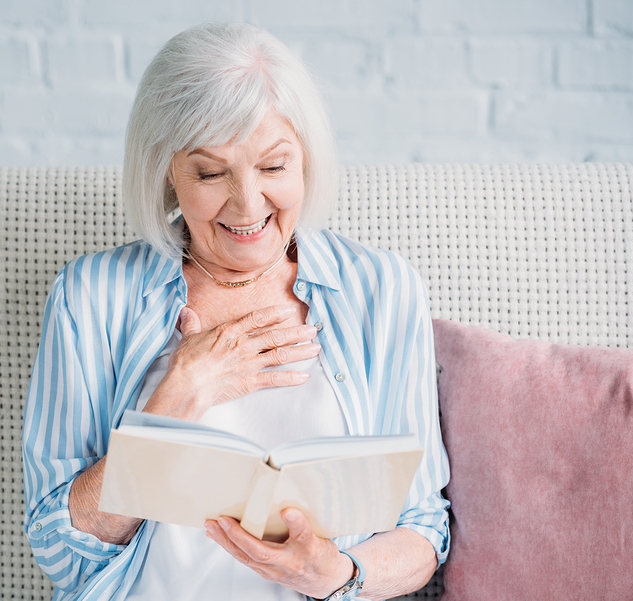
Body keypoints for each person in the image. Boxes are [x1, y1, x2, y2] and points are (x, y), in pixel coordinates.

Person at [23, 22, 449, 601]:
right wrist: (177, 398)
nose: (249, 205)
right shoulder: (91, 296)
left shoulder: (382, 289)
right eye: (211, 172)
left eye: (273, 167)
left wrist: (338, 575)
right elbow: (57, 546)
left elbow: (423, 526)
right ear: (166, 171)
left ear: (306, 159)